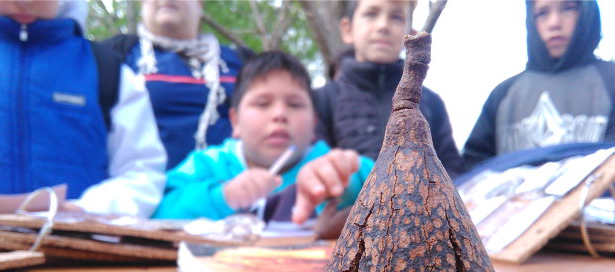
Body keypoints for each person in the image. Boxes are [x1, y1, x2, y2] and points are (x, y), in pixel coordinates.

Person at [151, 51, 374, 223]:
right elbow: (155, 211)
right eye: (262, 103)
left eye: (295, 104)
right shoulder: (207, 165)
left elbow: (386, 186)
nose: (279, 114)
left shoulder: (327, 163)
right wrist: (222, 197)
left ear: (314, 123)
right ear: (235, 121)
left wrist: (346, 183)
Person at [0, 0, 167, 217]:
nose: (25, 1)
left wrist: (85, 210)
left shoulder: (107, 70)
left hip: (76, 244)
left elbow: (142, 171)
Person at [314, 0, 465, 180]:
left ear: (411, 35)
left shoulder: (432, 102)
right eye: (371, 14)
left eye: (396, 17)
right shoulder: (320, 100)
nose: (383, 25)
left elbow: (452, 168)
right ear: (347, 29)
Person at [463, 0, 615, 169]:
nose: (554, 23)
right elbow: (473, 167)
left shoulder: (611, 81)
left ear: (587, 12)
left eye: (567, 8)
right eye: (542, 13)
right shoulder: (503, 95)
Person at [102, 0, 245, 170]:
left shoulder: (242, 63)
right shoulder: (112, 58)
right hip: (142, 192)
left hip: (229, 189)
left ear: (200, 3)